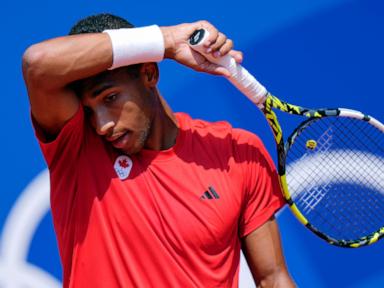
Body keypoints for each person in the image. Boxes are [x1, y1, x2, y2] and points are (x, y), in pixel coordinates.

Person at [22, 13, 295, 288]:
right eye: (90, 110)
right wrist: (169, 41)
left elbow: (273, 279)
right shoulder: (77, 147)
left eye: (111, 98)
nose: (102, 124)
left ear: (149, 73)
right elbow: (37, 64)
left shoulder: (236, 152)